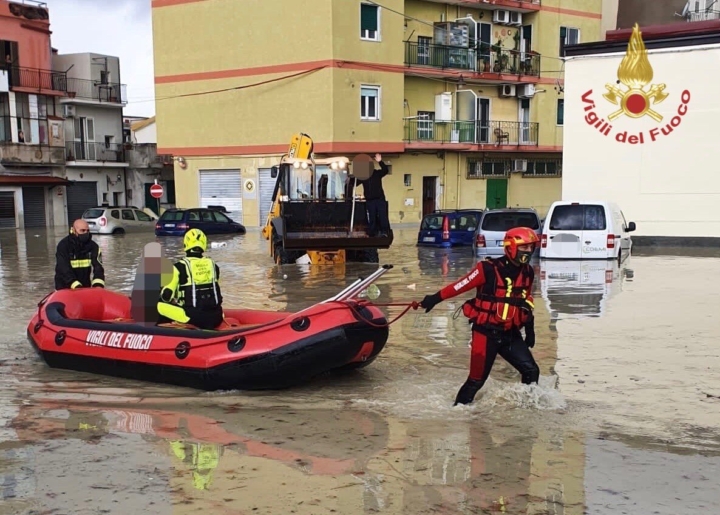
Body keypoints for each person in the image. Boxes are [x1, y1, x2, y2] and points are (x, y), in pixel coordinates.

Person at [419, 227, 540, 406]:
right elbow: (459, 286)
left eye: (531, 247)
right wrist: (434, 299)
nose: (528, 251)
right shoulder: (487, 269)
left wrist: (530, 329)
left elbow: (526, 301)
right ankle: (458, 412)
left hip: (510, 334)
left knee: (531, 371)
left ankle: (526, 411)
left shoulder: (528, 272)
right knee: (476, 381)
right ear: (511, 247)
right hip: (486, 333)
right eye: (524, 247)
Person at [157, 228, 224, 329]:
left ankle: (157, 331)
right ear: (204, 245)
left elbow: (166, 296)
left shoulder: (178, 267)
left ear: (185, 244)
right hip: (217, 317)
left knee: (158, 306)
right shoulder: (214, 266)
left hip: (194, 318)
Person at [54, 219, 105, 291]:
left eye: (87, 231)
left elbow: (98, 268)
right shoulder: (63, 246)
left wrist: (98, 285)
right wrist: (75, 285)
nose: (85, 233)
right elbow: (63, 269)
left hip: (84, 287)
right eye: (82, 230)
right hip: (64, 288)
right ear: (74, 230)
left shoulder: (93, 247)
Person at [356, 153, 390, 237]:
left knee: (382, 216)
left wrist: (380, 161)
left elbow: (385, 170)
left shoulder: (377, 173)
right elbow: (354, 183)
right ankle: (372, 233)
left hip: (379, 199)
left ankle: (384, 232)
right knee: (372, 217)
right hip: (370, 200)